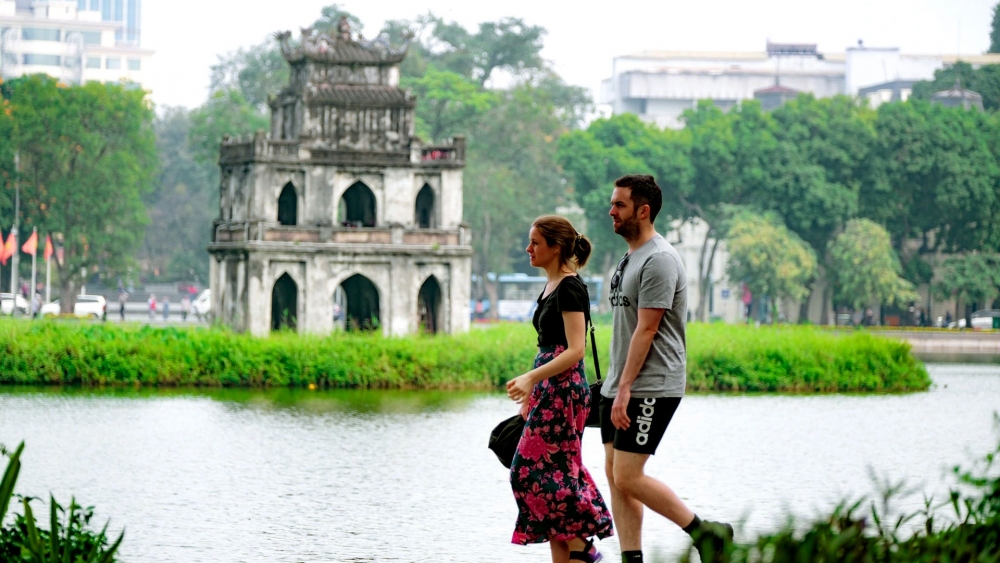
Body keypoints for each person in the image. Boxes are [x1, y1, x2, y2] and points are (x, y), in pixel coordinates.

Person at [601, 175, 732, 563]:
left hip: (651, 385)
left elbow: (648, 328)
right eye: (612, 203)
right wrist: (614, 385)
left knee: (628, 475)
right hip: (619, 384)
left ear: (643, 211)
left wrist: (626, 387)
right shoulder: (630, 256)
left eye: (620, 205)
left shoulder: (659, 259)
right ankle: (632, 558)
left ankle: (706, 533)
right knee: (616, 476)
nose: (611, 211)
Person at [505, 215, 614, 563]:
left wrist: (530, 378)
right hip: (548, 391)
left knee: (528, 472)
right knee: (557, 475)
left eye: (535, 243)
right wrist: (532, 392)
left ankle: (583, 547)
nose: (528, 249)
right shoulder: (551, 285)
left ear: (555, 247)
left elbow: (575, 349)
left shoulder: (569, 287)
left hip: (564, 393)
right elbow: (549, 347)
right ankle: (577, 552)